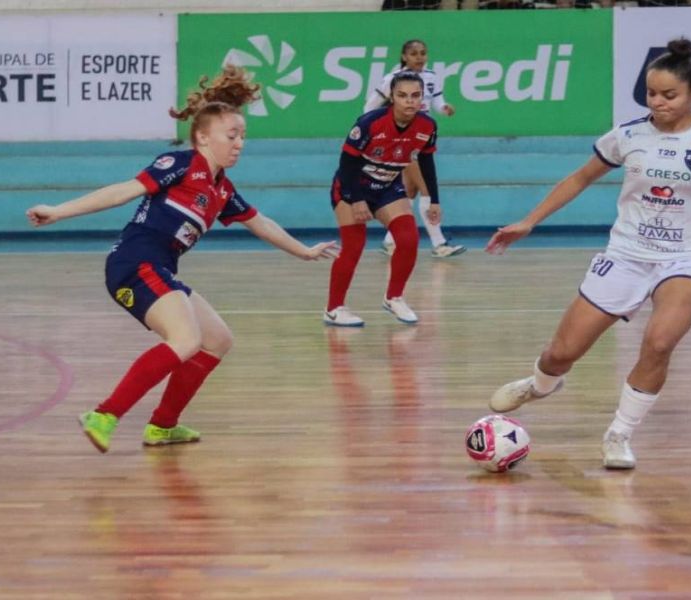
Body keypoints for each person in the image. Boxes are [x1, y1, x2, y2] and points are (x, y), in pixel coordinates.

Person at [485, 38, 691, 469]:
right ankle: (541, 384)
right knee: (563, 352)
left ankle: (619, 433)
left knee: (658, 343)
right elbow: (581, 178)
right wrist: (529, 220)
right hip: (627, 252)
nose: (657, 102)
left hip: (688, 258)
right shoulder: (629, 135)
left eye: (669, 95)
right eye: (651, 93)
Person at [26, 66, 339, 453]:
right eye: (232, 135)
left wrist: (304, 250)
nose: (240, 143)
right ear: (203, 137)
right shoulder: (180, 164)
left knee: (216, 340)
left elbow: (260, 223)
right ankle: (104, 415)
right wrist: (58, 211)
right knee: (186, 339)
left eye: (243, 135)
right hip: (134, 264)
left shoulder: (222, 188)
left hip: (159, 269)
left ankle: (163, 426)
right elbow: (123, 190)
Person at [325, 71, 441, 328]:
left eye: (415, 96)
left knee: (409, 239)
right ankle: (333, 309)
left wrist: (433, 198)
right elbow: (347, 164)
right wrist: (356, 200)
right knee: (354, 246)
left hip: (387, 187)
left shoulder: (427, 126)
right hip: (352, 185)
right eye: (402, 96)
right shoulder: (369, 123)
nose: (410, 101)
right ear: (391, 97)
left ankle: (394, 298)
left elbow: (426, 160)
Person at [364, 39, 464, 259]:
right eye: (413, 53)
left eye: (422, 53)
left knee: (411, 191)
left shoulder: (431, 77)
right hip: (403, 139)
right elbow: (369, 107)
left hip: (422, 135)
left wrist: (444, 108)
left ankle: (390, 241)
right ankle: (439, 244)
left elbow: (437, 101)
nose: (419, 57)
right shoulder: (392, 79)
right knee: (427, 188)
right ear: (403, 57)